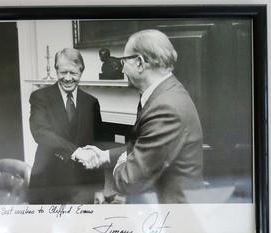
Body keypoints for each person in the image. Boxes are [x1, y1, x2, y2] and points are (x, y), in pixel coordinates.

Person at [82, 29, 203, 203]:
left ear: (139, 63)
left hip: (173, 217)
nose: (122, 68)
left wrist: (121, 164)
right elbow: (142, 146)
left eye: (124, 61)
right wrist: (103, 156)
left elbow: (128, 182)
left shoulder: (165, 108)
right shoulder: (162, 94)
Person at [28, 48, 103, 204]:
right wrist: (75, 152)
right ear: (56, 70)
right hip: (47, 184)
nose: (68, 78)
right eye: (63, 72)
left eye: (73, 73)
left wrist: (99, 188)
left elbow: (98, 145)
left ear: (81, 73)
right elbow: (40, 132)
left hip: (82, 186)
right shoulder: (40, 97)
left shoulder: (91, 102)